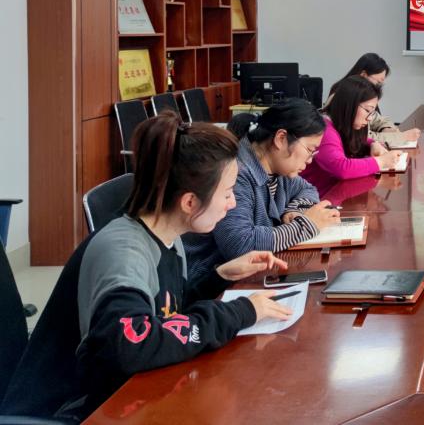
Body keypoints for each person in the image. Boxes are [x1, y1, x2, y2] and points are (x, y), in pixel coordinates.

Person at [1, 112, 292, 421]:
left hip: (119, 397)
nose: (232, 203)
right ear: (189, 202)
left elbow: (164, 313)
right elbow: (132, 342)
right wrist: (239, 312)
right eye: (228, 193)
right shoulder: (123, 251)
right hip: (71, 411)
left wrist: (218, 276)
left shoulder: (168, 236)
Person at [183, 98, 340, 280]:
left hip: (249, 276)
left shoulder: (278, 170)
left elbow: (307, 190)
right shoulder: (236, 173)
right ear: (281, 139)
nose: (310, 159)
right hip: (209, 284)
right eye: (310, 149)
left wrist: (294, 212)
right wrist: (306, 225)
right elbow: (240, 245)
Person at [302, 75, 401, 196]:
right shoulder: (324, 130)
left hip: (334, 192)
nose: (370, 118)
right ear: (349, 105)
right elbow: (342, 168)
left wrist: (373, 144)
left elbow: (361, 140)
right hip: (315, 197)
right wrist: (381, 161)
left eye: (372, 113)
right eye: (367, 110)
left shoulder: (342, 124)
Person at [340, 52, 421, 143]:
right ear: (363, 75)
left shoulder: (363, 97)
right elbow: (362, 138)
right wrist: (402, 137)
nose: (378, 88)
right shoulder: (345, 97)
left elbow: (378, 119)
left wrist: (386, 128)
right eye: (378, 82)